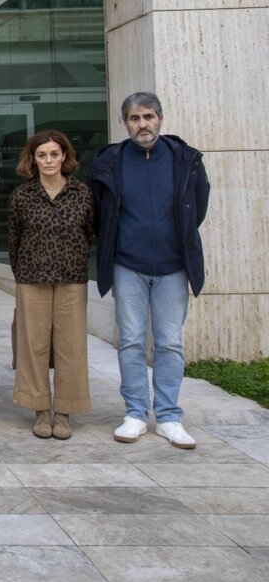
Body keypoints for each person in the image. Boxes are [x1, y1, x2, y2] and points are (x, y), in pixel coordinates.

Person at [90, 92, 209, 450]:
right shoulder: (111, 161)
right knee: (130, 341)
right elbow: (100, 213)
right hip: (128, 265)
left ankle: (170, 417)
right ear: (124, 123)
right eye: (134, 118)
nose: (142, 124)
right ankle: (136, 414)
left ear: (160, 118)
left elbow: (197, 207)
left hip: (173, 267)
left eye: (149, 117)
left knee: (170, 343)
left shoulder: (184, 159)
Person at [8, 131, 95, 440]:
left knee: (71, 346)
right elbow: (14, 240)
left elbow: (88, 233)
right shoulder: (22, 196)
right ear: (33, 159)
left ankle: (65, 411)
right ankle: (40, 409)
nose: (48, 160)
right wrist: (21, 274)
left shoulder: (82, 193)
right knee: (33, 345)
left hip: (71, 278)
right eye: (42, 155)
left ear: (64, 157)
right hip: (32, 278)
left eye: (54, 154)